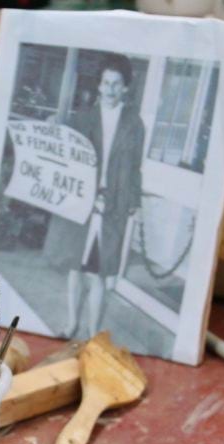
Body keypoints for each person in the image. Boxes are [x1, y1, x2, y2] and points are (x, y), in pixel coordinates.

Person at [63, 53, 144, 339]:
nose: (110, 89)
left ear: (125, 87)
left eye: (116, 83)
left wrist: (135, 203)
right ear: (98, 85)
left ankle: (93, 331)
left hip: (112, 206)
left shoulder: (134, 124)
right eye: (106, 82)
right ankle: (71, 323)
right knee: (75, 268)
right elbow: (69, 158)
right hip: (82, 203)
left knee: (97, 272)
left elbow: (135, 168)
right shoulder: (83, 118)